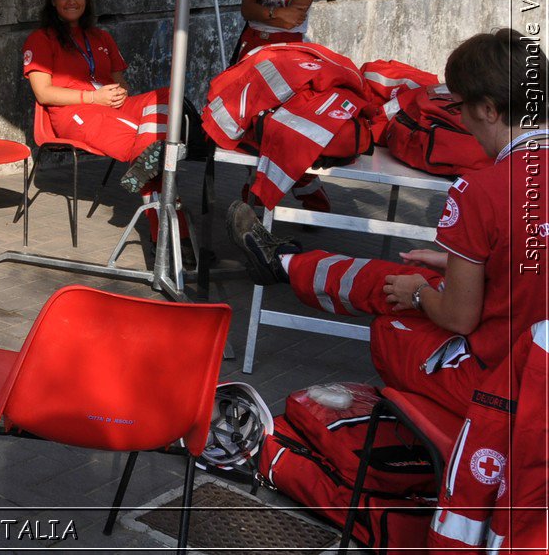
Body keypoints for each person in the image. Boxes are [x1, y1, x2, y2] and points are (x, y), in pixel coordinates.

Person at [228, 28, 547, 419]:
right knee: (405, 275)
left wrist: (418, 295)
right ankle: (286, 263)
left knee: (392, 316)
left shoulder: (482, 189)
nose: (459, 118)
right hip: (527, 356)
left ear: (489, 110)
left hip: (503, 381)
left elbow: (458, 318)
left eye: (459, 106)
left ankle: (285, 265)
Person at [22, 0, 182, 236]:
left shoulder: (101, 37)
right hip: (75, 112)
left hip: (111, 105)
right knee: (149, 149)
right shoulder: (41, 39)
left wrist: (119, 92)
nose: (72, 1)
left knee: (167, 95)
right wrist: (93, 97)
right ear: (53, 1)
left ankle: (146, 160)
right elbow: (43, 93)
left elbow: (121, 82)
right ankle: (171, 236)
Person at [234, 0, 331, 209]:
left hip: (285, 49)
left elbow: (295, 19)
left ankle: (305, 184)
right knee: (250, 120)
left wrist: (265, 13)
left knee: (280, 122)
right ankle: (258, 182)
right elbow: (245, 9)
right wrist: (277, 12)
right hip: (252, 45)